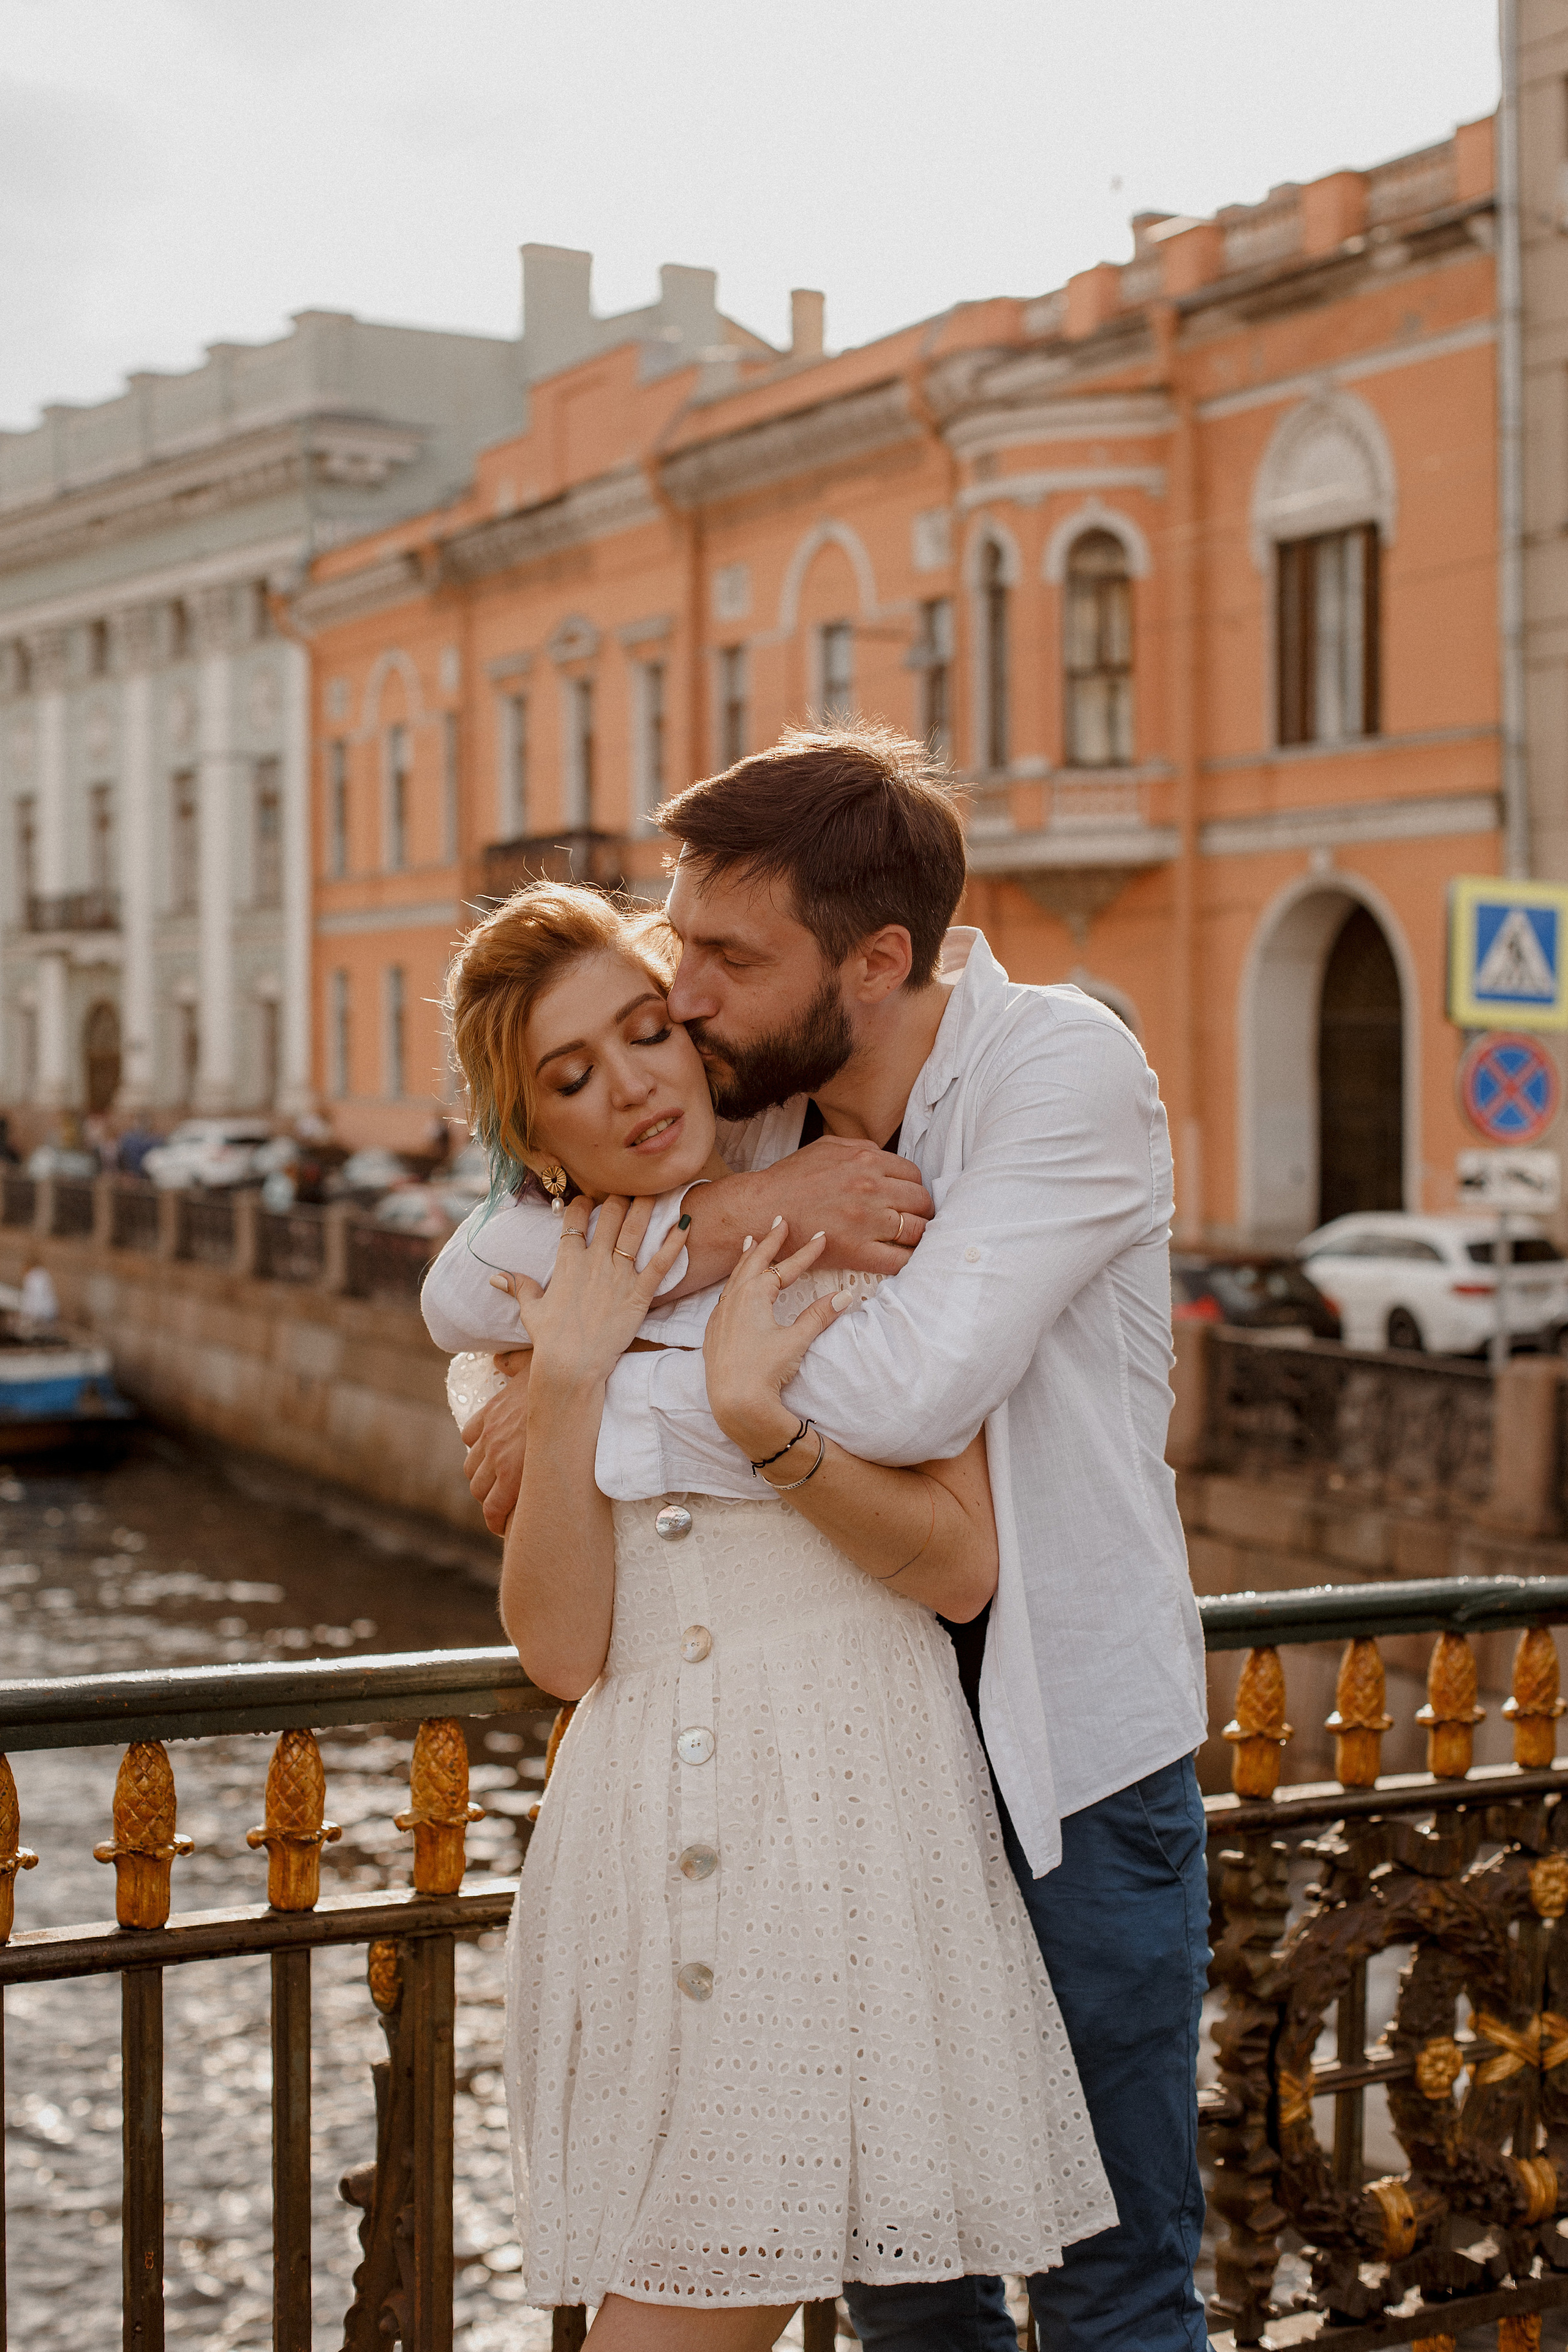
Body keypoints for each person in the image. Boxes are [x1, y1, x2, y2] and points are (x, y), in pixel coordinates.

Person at [436, 724, 1211, 2352]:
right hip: (851, 1788)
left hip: (1061, 1752)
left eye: (723, 957)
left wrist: (590, 1380)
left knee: (1111, 2288)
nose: (686, 998)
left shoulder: (1057, 1064)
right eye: (681, 947)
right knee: (908, 2308)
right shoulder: (772, 1122)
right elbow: (463, 1280)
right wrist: (715, 1239)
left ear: (872, 959)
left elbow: (907, 1390)